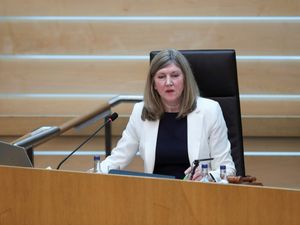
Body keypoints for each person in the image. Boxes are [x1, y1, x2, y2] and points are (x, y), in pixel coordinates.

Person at [100, 49, 236, 180]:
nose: (168, 82)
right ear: (153, 84)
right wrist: (96, 172)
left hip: (197, 195)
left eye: (175, 75)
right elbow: (118, 157)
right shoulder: (141, 111)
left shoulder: (210, 110)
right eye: (161, 76)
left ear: (185, 80)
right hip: (155, 194)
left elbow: (228, 168)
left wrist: (208, 175)